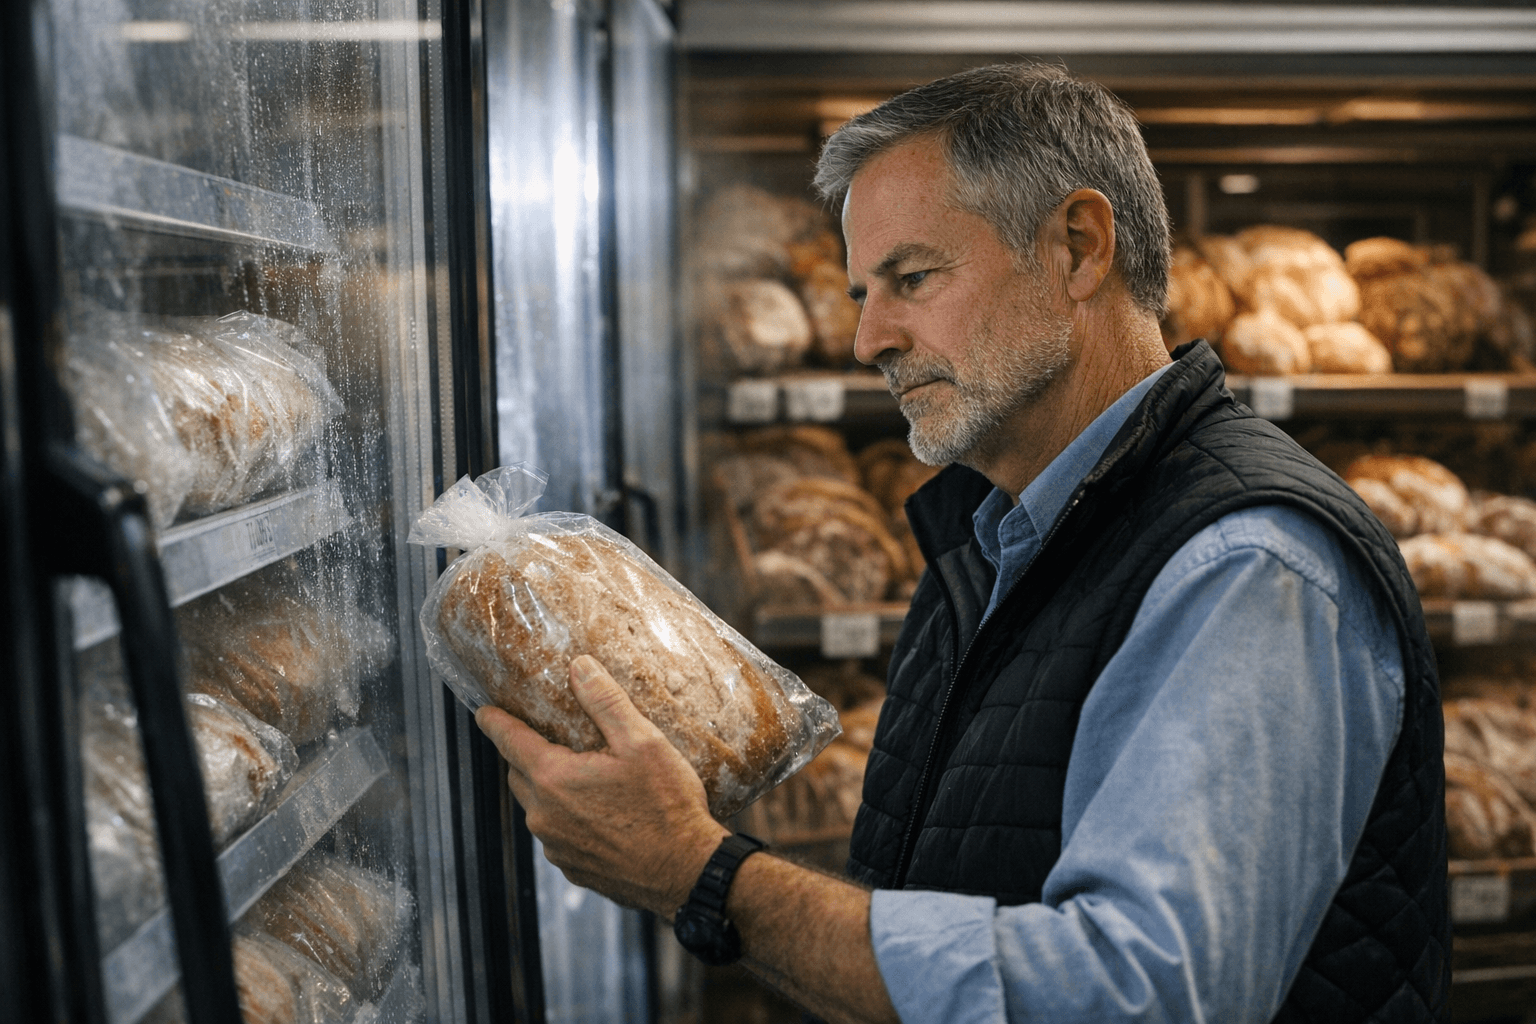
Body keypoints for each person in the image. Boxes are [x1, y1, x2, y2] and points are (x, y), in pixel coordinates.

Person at [476, 62, 1449, 1023]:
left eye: (912, 277)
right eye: (863, 291)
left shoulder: (1245, 569)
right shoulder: (999, 536)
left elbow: (1131, 997)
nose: (869, 340)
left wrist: (703, 873)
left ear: (1077, 247)